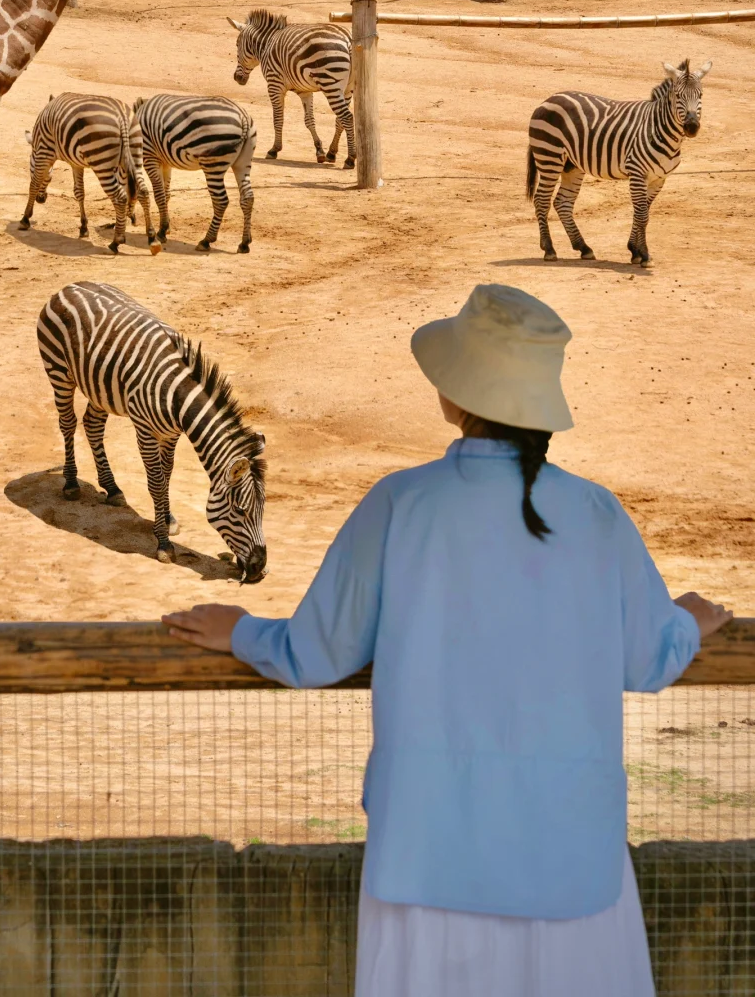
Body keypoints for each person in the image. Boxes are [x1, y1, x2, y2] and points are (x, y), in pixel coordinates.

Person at [163, 283, 732, 997]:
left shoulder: (402, 504)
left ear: (455, 395)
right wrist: (688, 621)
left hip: (427, 857)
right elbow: (648, 660)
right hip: (570, 857)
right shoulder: (597, 515)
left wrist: (239, 630)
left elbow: (318, 651)